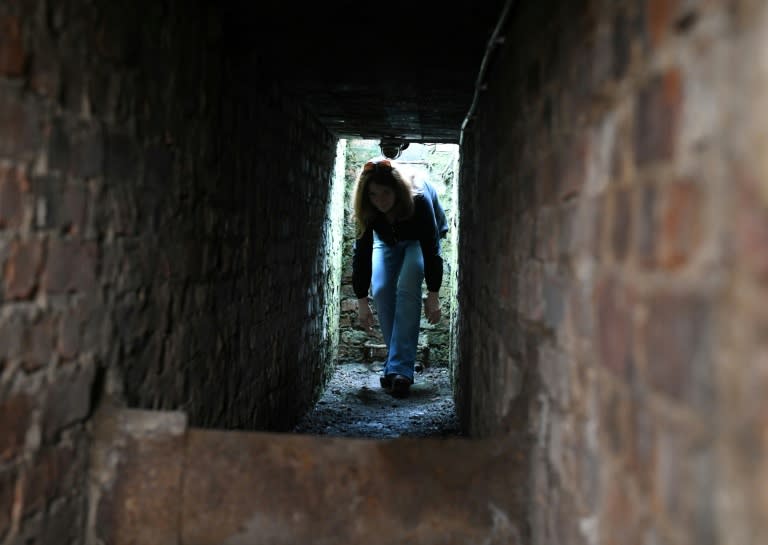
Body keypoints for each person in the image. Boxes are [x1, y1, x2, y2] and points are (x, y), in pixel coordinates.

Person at [351, 158, 444, 399]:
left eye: (385, 193)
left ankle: (401, 370)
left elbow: (432, 250)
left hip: (418, 239)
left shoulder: (419, 200)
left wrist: (433, 293)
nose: (380, 200)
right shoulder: (369, 209)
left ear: (396, 190)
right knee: (381, 289)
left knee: (408, 283)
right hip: (387, 240)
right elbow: (361, 253)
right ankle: (396, 364)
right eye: (373, 195)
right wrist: (362, 300)